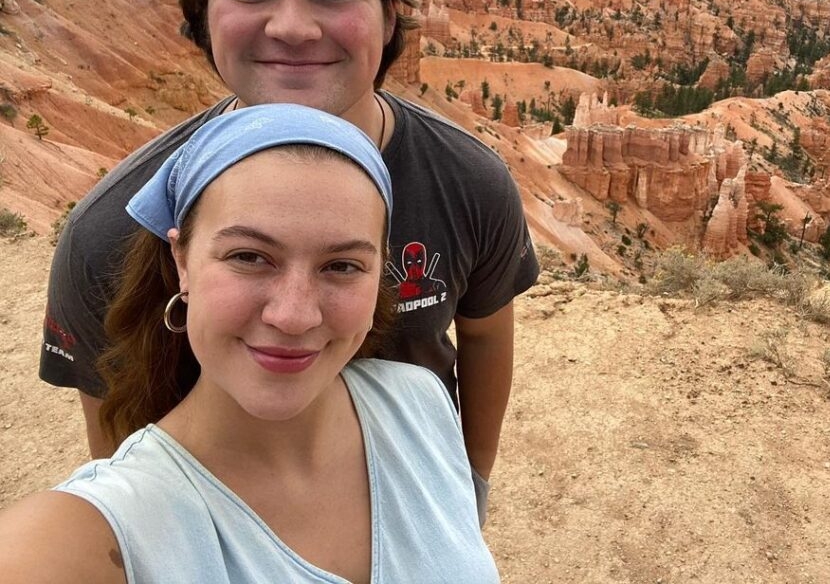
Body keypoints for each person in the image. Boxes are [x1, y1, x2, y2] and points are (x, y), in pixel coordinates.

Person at [39, 0, 539, 518]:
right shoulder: (108, 235)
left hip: (412, 505)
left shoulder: (471, 182)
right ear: (200, 15)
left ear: (389, 16)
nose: (293, 28)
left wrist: (471, 483)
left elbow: (482, 339)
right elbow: (117, 450)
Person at [3, 103, 500, 583]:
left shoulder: (420, 401)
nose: (294, 315)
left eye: (342, 266)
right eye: (249, 256)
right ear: (182, 260)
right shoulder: (103, 530)